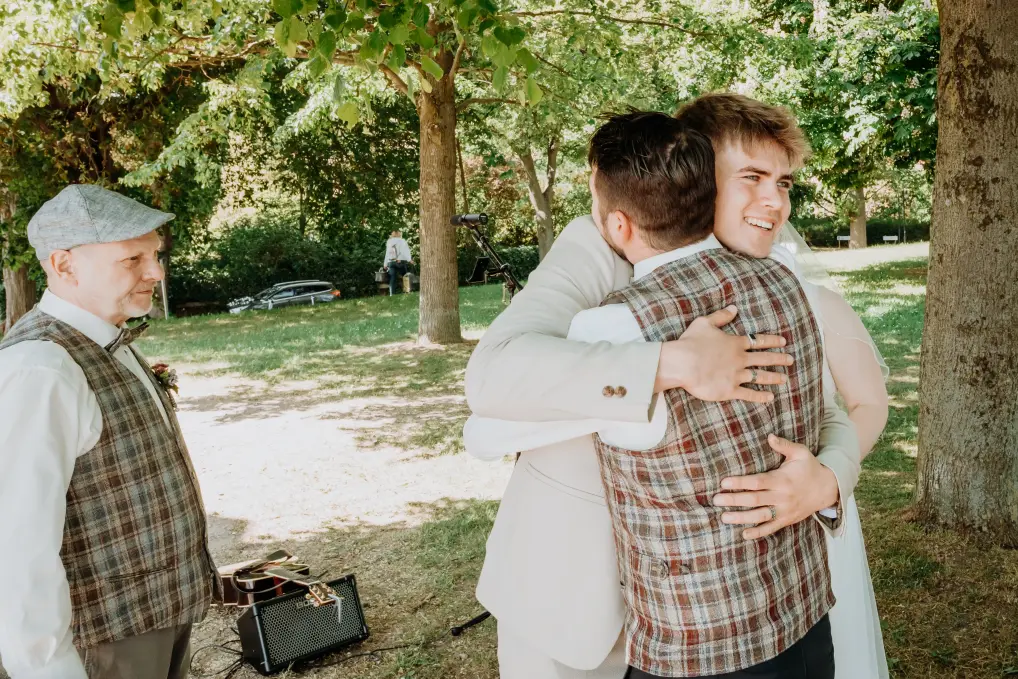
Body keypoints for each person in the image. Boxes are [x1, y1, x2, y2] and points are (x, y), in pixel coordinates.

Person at [464, 94, 885, 679]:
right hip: (569, 593)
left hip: (722, 619)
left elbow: (827, 406)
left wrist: (829, 477)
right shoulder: (599, 242)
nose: (775, 203)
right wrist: (671, 364)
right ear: (696, 176)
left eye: (784, 183)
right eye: (752, 178)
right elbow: (494, 380)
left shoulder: (776, 282)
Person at [0, 185, 220, 679]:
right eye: (132, 259)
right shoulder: (40, 368)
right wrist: (50, 669)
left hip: (155, 618)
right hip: (105, 641)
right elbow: (16, 547)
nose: (156, 272)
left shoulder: (106, 339)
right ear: (65, 265)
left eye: (155, 255)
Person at [383, 229, 414, 295]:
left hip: (391, 262)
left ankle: (392, 294)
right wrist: (409, 259)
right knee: (405, 276)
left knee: (392, 278)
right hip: (400, 262)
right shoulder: (402, 241)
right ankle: (407, 291)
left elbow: (387, 253)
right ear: (399, 234)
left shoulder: (389, 241)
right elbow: (404, 252)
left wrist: (385, 264)